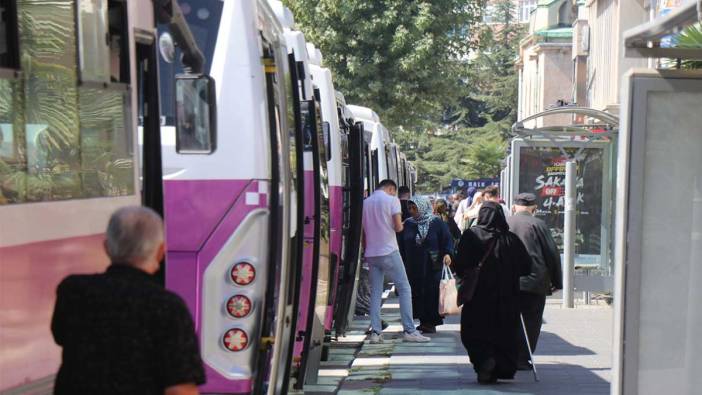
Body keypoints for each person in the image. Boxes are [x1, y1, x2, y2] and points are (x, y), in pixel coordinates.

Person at [51, 206, 205, 395]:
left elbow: (60, 335)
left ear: (107, 247)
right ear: (161, 251)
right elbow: (180, 389)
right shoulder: (168, 307)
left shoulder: (73, 290)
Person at [454, 202, 532, 384]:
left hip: (478, 297)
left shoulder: (471, 235)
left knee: (474, 330)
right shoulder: (511, 239)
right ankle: (498, 366)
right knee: (504, 332)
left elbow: (460, 264)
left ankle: (483, 361)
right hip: (507, 297)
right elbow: (526, 267)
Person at [362, 179, 430, 344]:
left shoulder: (366, 203)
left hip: (371, 252)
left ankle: (376, 333)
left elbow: (363, 230)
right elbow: (398, 227)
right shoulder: (392, 200)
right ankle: (409, 330)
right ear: (391, 189)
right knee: (405, 288)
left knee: (376, 292)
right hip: (389, 251)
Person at [506, 193, 563, 370]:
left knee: (508, 318)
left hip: (508, 281)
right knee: (531, 320)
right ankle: (523, 358)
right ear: (534, 209)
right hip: (534, 280)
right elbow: (551, 253)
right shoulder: (538, 224)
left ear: (514, 207)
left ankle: (508, 355)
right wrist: (556, 281)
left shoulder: (504, 222)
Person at [401, 196, 453, 333]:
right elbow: (401, 243)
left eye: (414, 208)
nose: (412, 211)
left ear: (422, 207)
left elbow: (447, 239)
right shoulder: (408, 224)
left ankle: (430, 322)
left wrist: (447, 253)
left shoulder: (436, 222)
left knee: (431, 292)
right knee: (417, 291)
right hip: (414, 264)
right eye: (410, 208)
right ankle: (423, 321)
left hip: (433, 263)